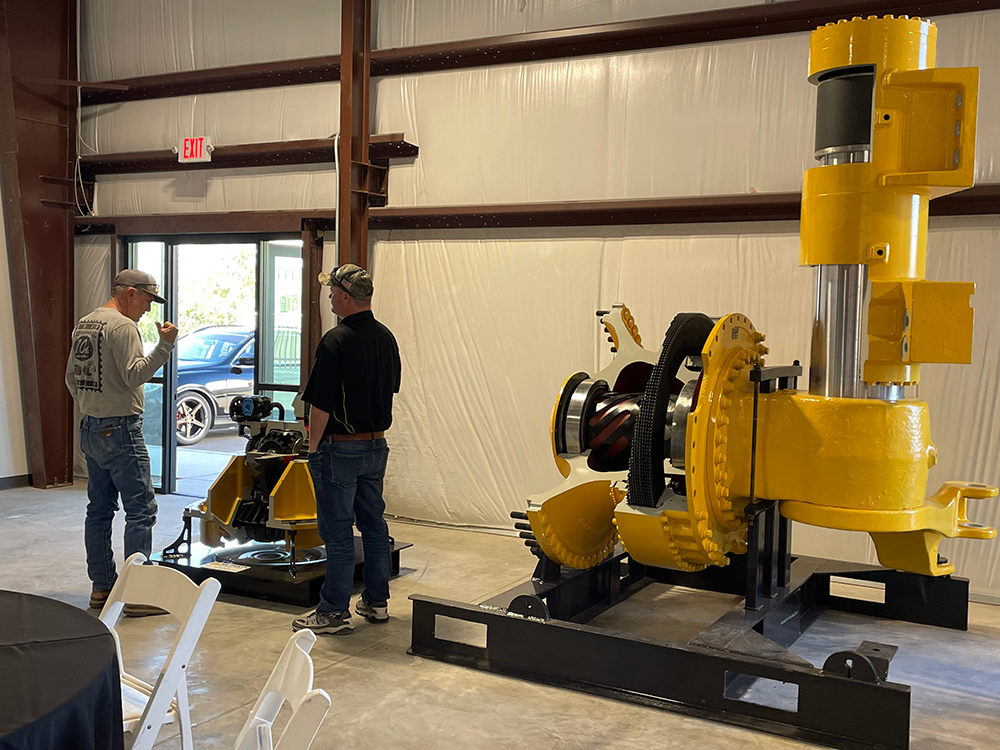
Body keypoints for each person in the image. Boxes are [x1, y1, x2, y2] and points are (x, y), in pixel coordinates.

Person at [293, 263, 401, 635]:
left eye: (332, 292)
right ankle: (376, 601)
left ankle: (333, 611)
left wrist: (313, 448)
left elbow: (320, 405)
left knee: (337, 532)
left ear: (344, 296)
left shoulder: (335, 340)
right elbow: (389, 389)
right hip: (376, 446)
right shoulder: (386, 338)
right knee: (373, 526)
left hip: (340, 451)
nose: (329, 298)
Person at [65, 269, 178, 616]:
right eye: (146, 299)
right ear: (130, 292)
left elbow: (71, 377)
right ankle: (138, 594)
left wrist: (93, 407)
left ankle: (102, 587)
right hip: (121, 431)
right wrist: (165, 346)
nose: (147, 309)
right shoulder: (122, 326)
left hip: (90, 429)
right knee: (141, 509)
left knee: (99, 510)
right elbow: (134, 375)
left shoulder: (86, 322)